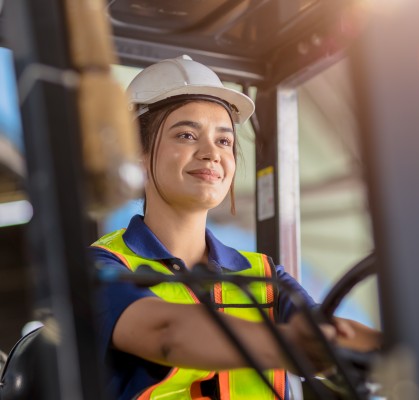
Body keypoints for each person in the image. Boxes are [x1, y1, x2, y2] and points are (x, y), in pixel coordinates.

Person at [90, 55, 381, 400]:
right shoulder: (105, 268)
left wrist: (402, 350)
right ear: (138, 153)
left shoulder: (263, 274)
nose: (211, 153)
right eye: (186, 134)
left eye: (224, 141)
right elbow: (166, 334)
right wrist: (292, 345)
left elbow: (328, 330)